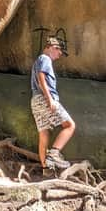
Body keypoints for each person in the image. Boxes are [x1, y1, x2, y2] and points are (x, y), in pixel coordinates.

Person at [30, 36, 76, 170]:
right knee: (70, 125)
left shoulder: (39, 60)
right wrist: (49, 99)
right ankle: (54, 154)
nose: (59, 54)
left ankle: (46, 168)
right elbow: (41, 77)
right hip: (45, 99)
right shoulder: (45, 59)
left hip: (35, 101)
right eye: (59, 51)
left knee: (44, 134)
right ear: (51, 48)